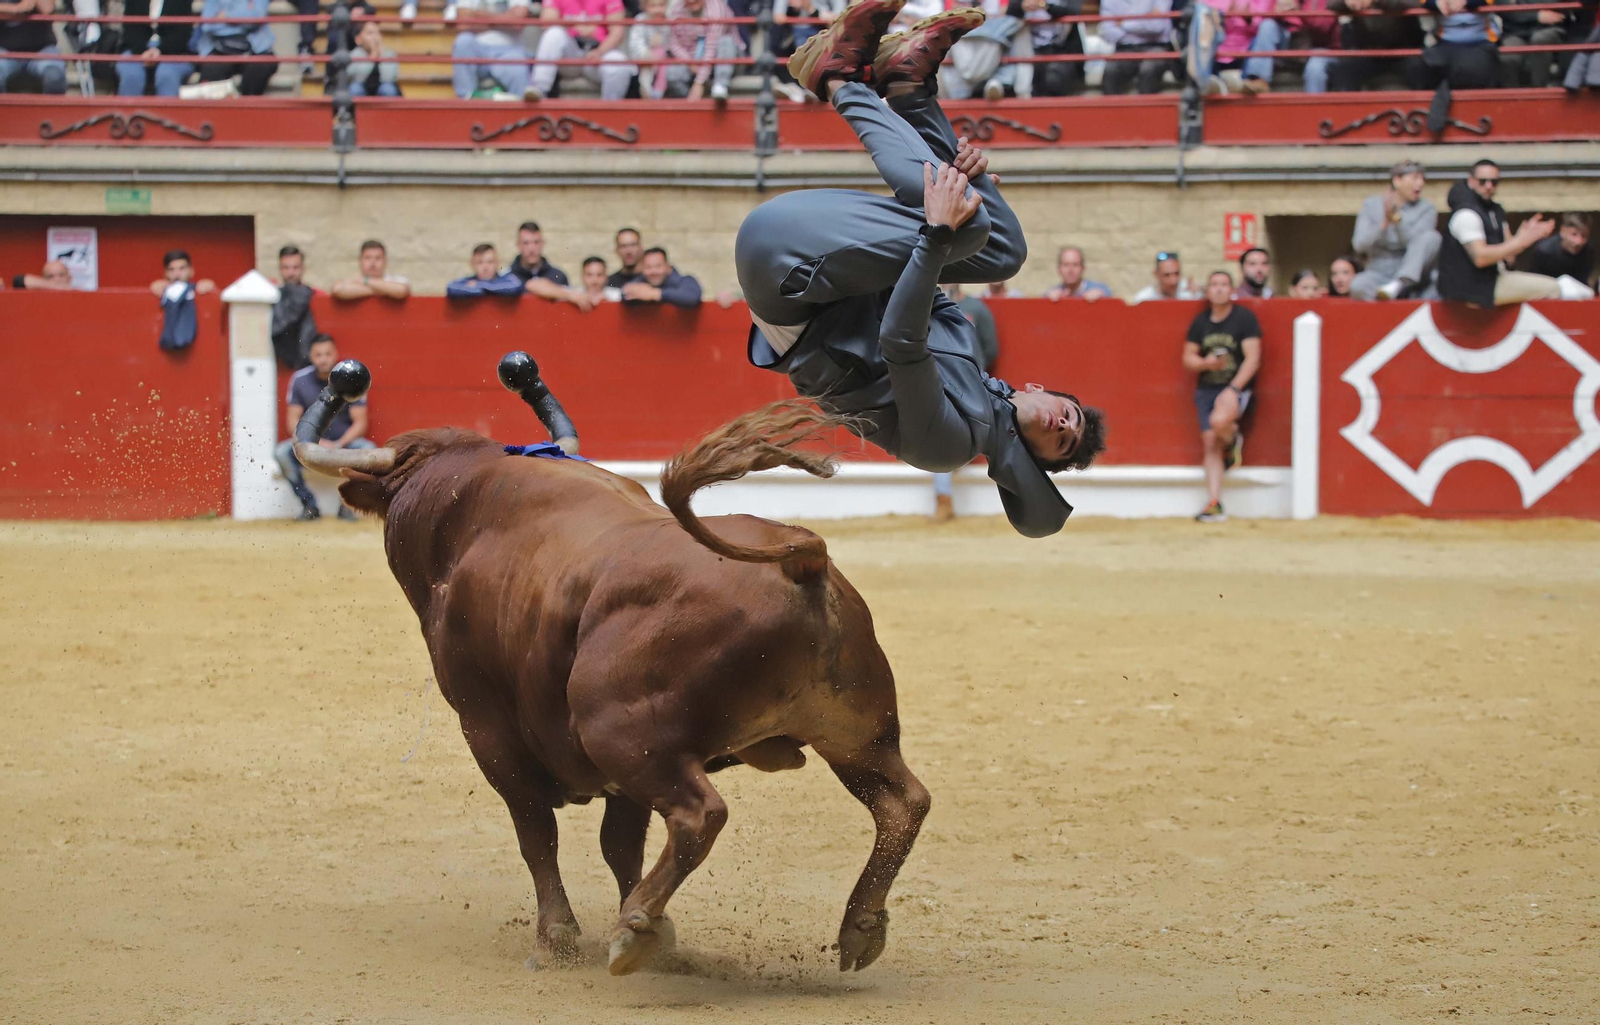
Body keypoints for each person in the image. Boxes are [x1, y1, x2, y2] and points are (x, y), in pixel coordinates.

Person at [736, 0, 1107, 538]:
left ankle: (839, 80)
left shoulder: (952, 447)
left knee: (967, 231)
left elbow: (900, 342)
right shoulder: (969, 357)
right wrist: (969, 183)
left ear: (1032, 457)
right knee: (1000, 251)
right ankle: (908, 89)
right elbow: (921, 276)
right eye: (1069, 415)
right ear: (1040, 387)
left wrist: (941, 229)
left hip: (794, 280)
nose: (1062, 424)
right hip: (817, 261)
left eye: (1062, 442)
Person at [1437, 160, 1595, 306]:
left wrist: (1521, 237)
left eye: (1494, 182)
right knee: (1553, 288)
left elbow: (1509, 257)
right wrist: (1521, 241)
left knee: (1556, 286)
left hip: (1489, 281)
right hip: (1472, 289)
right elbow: (1481, 257)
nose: (1489, 186)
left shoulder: (1493, 212)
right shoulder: (1467, 214)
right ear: (1471, 181)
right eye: (1483, 181)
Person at [1183, 270, 1260, 524]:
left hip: (1234, 387)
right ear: (1207, 291)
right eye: (1213, 284)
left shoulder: (1244, 319)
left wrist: (1234, 388)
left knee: (1219, 423)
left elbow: (1253, 358)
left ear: (1231, 289)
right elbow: (1188, 358)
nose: (1218, 289)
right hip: (1207, 388)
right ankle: (1214, 502)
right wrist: (1207, 364)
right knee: (1209, 442)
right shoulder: (1201, 322)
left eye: (1223, 285)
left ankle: (1232, 439)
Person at [276, 335, 375, 521]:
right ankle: (309, 506)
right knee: (282, 453)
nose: (323, 359)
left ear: (335, 354)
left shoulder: (351, 376)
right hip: (310, 445)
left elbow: (360, 423)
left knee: (368, 451)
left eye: (327, 354)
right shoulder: (300, 379)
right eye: (318, 354)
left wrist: (338, 444)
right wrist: (318, 444)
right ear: (311, 356)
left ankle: (347, 506)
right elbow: (292, 422)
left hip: (344, 445)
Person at [929, 282, 1001, 522]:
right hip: (940, 383)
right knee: (941, 438)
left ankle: (944, 498)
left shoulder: (975, 309)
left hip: (971, 384)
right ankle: (944, 499)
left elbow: (990, 349)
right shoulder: (929, 306)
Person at [1350, 160, 1440, 301]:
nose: (1421, 183)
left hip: (1413, 277)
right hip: (1380, 273)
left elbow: (1418, 245)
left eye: (1423, 179)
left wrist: (1397, 219)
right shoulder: (1371, 205)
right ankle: (1391, 300)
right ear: (1397, 180)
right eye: (1415, 178)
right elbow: (1359, 245)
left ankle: (1398, 285)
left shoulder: (1427, 208)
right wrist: (1384, 224)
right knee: (1358, 285)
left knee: (1432, 237)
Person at [527, 0, 631, 102]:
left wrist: (599, 52)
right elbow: (547, 22)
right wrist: (575, 25)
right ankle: (539, 91)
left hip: (599, 55)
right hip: (570, 56)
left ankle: (610, 110)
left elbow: (618, 32)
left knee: (620, 62)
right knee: (553, 33)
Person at [194, 0, 279, 95]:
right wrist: (245, 19)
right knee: (212, 72)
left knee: (259, 69)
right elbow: (208, 25)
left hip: (256, 50)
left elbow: (257, 18)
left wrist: (226, 17)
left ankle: (248, 108)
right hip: (221, 50)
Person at [451, 0, 532, 99]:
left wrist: (477, 16)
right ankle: (465, 100)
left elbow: (517, 22)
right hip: (477, 50)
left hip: (510, 51)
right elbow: (463, 23)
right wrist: (504, 20)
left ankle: (519, 112)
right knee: (463, 41)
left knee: (518, 71)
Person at [116, 0, 196, 97]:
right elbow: (130, 30)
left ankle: (166, 111)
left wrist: (160, 51)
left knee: (166, 75)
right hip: (137, 48)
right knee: (131, 74)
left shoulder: (182, 2)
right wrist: (143, 51)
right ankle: (129, 111)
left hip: (174, 49)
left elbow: (182, 33)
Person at [665, 0, 741, 102]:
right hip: (693, 62)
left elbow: (712, 46)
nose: (691, 1)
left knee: (726, 41)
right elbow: (674, 43)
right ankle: (690, 103)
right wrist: (690, 63)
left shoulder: (717, 8)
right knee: (672, 73)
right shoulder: (677, 9)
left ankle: (720, 86)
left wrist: (699, 82)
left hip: (722, 61)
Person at [509, 221, 594, 310]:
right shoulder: (508, 275)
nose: (532, 248)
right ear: (518, 245)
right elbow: (531, 285)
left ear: (543, 243)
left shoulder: (559, 275)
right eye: (526, 243)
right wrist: (569, 294)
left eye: (536, 242)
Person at [1097, 0, 1175, 95]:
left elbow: (1157, 26)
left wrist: (1123, 24)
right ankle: (1111, 109)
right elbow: (1107, 31)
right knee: (1111, 70)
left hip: (1156, 46)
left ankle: (1148, 108)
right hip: (1124, 48)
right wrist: (1143, 23)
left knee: (1148, 69)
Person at [0, 0, 66, 94]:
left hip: (42, 49)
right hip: (5, 50)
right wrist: (17, 9)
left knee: (54, 77)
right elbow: (23, 7)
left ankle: (51, 109)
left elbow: (47, 9)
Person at [271, 245, 319, 371]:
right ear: (280, 269)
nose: (291, 273)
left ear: (303, 269)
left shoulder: (316, 296)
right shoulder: (271, 295)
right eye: (286, 268)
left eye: (295, 267)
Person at [1519, 213, 1594, 288]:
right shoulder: (1544, 251)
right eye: (1574, 234)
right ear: (1563, 231)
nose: (1578, 241)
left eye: (1584, 236)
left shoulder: (1588, 251)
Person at [330, 239, 412, 300]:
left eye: (378, 258)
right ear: (360, 261)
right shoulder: (352, 281)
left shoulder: (396, 280)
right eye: (367, 258)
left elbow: (401, 291)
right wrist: (386, 291)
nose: (373, 263)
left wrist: (366, 281)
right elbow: (337, 289)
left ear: (385, 261)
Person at [621, 246, 703, 306]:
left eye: (658, 266)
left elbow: (691, 297)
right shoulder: (640, 281)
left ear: (668, 267)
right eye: (648, 267)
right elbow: (626, 294)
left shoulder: (685, 281)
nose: (653, 271)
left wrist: (656, 294)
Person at [348, 17, 402, 96]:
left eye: (377, 33)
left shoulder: (389, 54)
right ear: (358, 39)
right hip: (363, 88)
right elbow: (357, 78)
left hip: (381, 88)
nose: (375, 37)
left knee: (388, 89)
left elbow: (389, 78)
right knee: (355, 89)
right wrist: (373, 56)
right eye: (370, 33)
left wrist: (381, 55)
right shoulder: (354, 54)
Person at [447, 243, 525, 296]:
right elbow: (452, 287)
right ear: (472, 264)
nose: (485, 267)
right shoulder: (468, 281)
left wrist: (480, 285)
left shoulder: (506, 280)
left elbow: (516, 286)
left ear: (497, 263)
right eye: (480, 263)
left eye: (490, 262)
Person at [1045, 245, 1110, 301]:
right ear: (1059, 269)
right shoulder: (1051, 295)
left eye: (1075, 265)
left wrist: (1102, 299)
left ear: (1082, 268)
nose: (1070, 270)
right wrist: (1048, 303)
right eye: (1066, 265)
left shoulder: (1100, 290)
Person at [1130, 252, 1199, 303]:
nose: (1173, 280)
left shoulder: (1190, 293)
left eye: (1176, 274)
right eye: (1167, 275)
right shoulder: (1145, 299)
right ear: (1156, 274)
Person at [148, 249, 216, 296]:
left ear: (191, 271)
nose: (177, 274)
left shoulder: (200, 288)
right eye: (171, 269)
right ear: (166, 274)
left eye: (182, 268)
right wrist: (154, 288)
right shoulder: (160, 290)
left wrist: (211, 287)